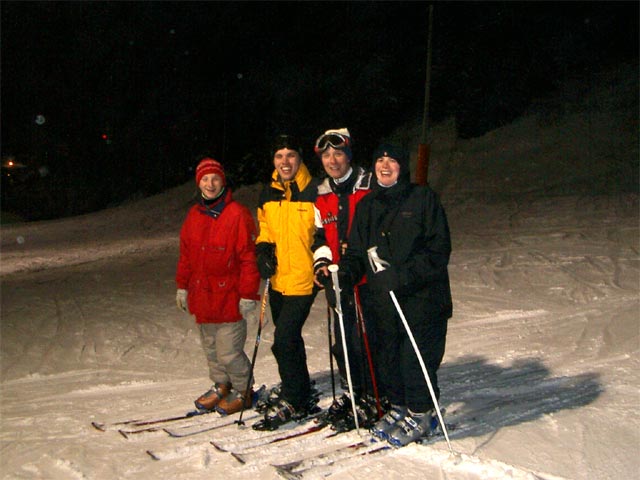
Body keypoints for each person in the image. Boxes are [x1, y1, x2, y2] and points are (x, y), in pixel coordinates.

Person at [335, 143, 452, 446]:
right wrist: (345, 273)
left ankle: (422, 413)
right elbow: (358, 250)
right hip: (383, 301)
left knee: (416, 360)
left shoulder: (422, 198)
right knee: (389, 358)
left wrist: (401, 276)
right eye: (380, 160)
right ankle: (399, 407)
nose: (385, 166)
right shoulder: (368, 205)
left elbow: (438, 251)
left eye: (392, 161)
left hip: (422, 299)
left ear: (403, 166)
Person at [175, 157, 261, 415]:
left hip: (228, 297)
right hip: (203, 296)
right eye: (205, 179)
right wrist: (182, 286)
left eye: (215, 178)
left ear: (223, 181)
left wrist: (248, 293)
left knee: (229, 352)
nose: (210, 184)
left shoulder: (237, 214)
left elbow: (248, 257)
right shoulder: (194, 215)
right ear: (198, 182)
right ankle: (222, 385)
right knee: (211, 350)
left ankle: (243, 390)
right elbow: (186, 255)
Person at [310, 128, 381, 430]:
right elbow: (318, 235)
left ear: (349, 155)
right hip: (338, 279)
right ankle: (352, 393)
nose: (332, 160)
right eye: (326, 155)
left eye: (338, 153)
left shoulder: (369, 185)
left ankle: (376, 396)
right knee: (343, 341)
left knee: (368, 340)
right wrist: (323, 261)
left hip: (368, 279)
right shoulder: (322, 193)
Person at [252, 134, 321, 431]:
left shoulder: (314, 190)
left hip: (305, 279)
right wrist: (263, 249)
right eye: (279, 156)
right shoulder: (268, 192)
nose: (285, 162)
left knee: (284, 338)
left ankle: (296, 398)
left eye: (290, 155)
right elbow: (265, 227)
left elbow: (323, 229)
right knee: (285, 342)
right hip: (278, 279)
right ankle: (298, 386)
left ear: (299, 158)